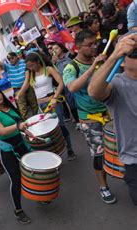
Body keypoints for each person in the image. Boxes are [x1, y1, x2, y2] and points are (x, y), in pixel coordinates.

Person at [63, 30, 117, 204]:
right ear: (78, 47)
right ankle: (103, 187)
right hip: (89, 118)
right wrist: (92, 68)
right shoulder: (72, 67)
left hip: (108, 112)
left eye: (96, 42)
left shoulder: (99, 60)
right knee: (99, 154)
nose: (95, 46)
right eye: (90, 44)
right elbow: (72, 87)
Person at [88, 31, 137, 204]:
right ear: (122, 61)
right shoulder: (117, 83)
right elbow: (94, 91)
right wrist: (114, 54)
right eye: (134, 53)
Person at [0, 87, 34, 224]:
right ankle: (18, 210)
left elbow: (20, 124)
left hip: (21, 143)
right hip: (7, 149)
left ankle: (38, 194)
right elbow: (1, 131)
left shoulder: (10, 107)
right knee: (16, 179)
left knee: (31, 171)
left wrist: (28, 132)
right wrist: (18, 126)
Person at [18, 52, 77, 160]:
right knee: (46, 130)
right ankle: (54, 153)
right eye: (28, 67)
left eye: (32, 65)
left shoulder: (48, 69)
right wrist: (18, 96)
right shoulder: (30, 73)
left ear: (38, 62)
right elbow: (25, 85)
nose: (30, 68)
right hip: (40, 104)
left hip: (52, 102)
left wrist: (55, 97)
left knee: (60, 126)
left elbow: (60, 83)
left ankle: (70, 149)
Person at [0, 52, 38, 119]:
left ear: (16, 57)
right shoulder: (8, 66)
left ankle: (38, 119)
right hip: (17, 89)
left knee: (34, 105)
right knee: (22, 108)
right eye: (9, 59)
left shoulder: (24, 63)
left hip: (28, 87)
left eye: (12, 58)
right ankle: (27, 124)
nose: (11, 60)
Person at [51, 42, 80, 123]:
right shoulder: (54, 61)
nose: (55, 51)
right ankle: (78, 121)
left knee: (81, 102)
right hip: (65, 87)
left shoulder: (69, 55)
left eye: (56, 48)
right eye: (53, 49)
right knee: (72, 104)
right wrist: (54, 63)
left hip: (76, 83)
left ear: (61, 48)